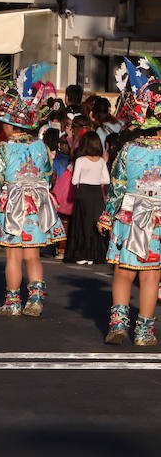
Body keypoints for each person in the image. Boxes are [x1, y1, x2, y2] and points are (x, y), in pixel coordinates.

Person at [0, 65, 64, 318]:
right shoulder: (40, 145)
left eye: (4, 123)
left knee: (13, 257)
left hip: (12, 203)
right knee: (33, 256)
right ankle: (35, 300)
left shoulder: (5, 148)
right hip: (36, 204)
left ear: (12, 126)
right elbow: (48, 174)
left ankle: (13, 301)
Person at [99, 58, 161, 345]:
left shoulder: (128, 150)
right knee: (150, 276)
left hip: (129, 215)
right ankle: (145, 331)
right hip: (158, 220)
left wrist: (106, 215)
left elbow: (117, 188)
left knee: (124, 273)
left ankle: (118, 325)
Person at [65, 132, 109, 265]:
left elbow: (74, 181)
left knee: (82, 224)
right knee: (95, 224)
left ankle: (82, 254)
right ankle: (93, 256)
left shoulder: (80, 160)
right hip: (96, 194)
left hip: (83, 192)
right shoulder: (101, 161)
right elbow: (106, 180)